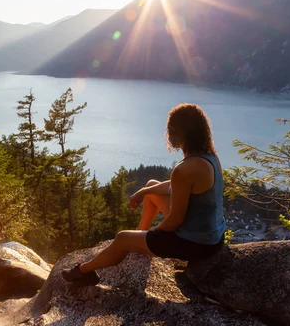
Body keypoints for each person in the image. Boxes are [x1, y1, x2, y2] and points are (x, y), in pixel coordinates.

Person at [62, 103, 226, 286]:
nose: (168, 134)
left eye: (170, 129)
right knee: (152, 186)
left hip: (195, 244)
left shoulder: (184, 169)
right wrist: (145, 191)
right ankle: (140, 234)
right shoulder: (209, 157)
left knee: (122, 238)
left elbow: (175, 221)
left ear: (182, 133)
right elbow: (175, 187)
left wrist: (154, 233)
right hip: (213, 237)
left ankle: (82, 272)